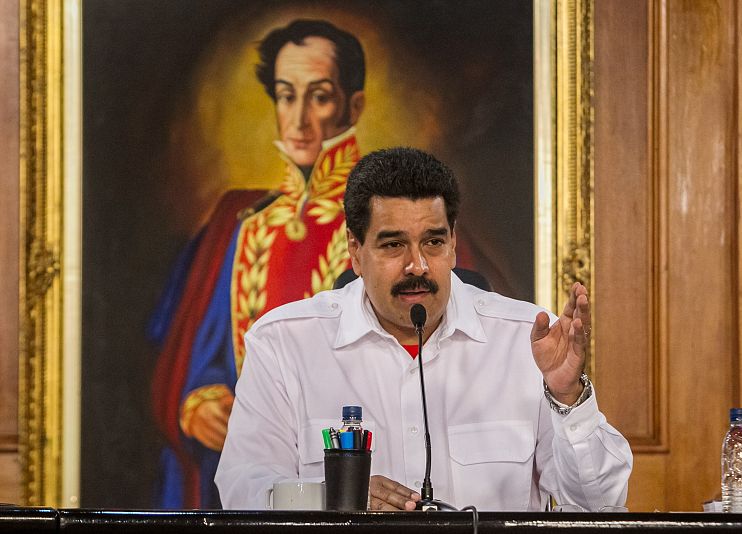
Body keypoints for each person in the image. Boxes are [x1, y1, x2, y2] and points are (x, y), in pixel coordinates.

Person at [215, 147, 632, 511]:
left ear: (452, 242)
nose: (417, 266)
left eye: (433, 242)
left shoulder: (525, 341)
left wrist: (568, 397)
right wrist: (338, 497)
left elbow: (600, 506)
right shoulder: (284, 344)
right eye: (394, 244)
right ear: (356, 252)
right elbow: (243, 492)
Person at [149, 19, 367, 509]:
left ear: (354, 106)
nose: (299, 119)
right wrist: (199, 402)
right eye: (287, 96)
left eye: (320, 96)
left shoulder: (390, 225)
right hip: (250, 481)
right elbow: (197, 355)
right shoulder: (240, 222)